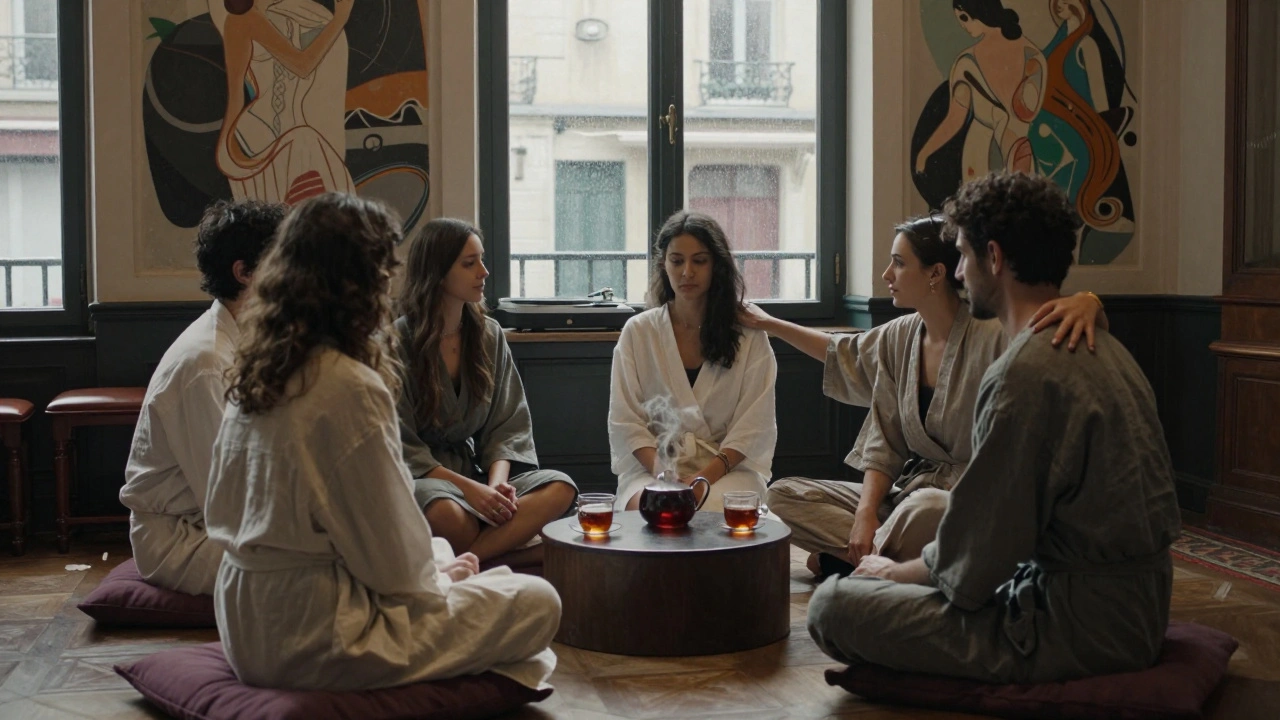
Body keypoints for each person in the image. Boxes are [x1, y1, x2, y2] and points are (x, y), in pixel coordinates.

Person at [806, 171, 1181, 684]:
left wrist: (890, 573)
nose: (960, 272)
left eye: (962, 254)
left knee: (833, 608)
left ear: (996, 258)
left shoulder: (1023, 372)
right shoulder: (1108, 349)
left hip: (1075, 627)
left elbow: (978, 564)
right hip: (1140, 610)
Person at [205, 194, 560, 691]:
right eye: (382, 270)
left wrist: (437, 564)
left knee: (438, 545)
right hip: (316, 634)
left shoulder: (257, 371)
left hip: (242, 619)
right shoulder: (348, 384)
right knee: (537, 602)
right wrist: (444, 581)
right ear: (359, 283)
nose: (389, 284)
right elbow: (390, 564)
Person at [752, 216, 1106, 577]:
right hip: (909, 497)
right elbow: (881, 435)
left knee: (922, 511)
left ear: (936, 273)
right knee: (782, 495)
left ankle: (877, 561)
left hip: (966, 505)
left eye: (899, 263)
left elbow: (1048, 332)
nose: (887, 274)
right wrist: (865, 515)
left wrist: (1089, 302)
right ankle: (907, 562)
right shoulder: (900, 337)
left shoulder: (994, 334)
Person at [120, 199, 285, 595]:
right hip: (182, 539)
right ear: (244, 273)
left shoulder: (249, 336)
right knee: (327, 565)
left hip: (219, 520)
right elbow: (227, 502)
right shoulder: (207, 363)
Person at [396, 218, 577, 565]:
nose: (484, 271)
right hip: (425, 478)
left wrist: (495, 487)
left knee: (561, 487)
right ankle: (510, 554)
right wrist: (470, 490)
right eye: (469, 263)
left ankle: (473, 561)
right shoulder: (396, 341)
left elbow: (507, 427)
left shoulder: (488, 335)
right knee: (448, 515)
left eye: (481, 259)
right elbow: (401, 444)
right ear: (437, 272)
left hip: (477, 474)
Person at [609, 210, 777, 513]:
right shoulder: (639, 332)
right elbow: (625, 421)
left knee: (710, 509)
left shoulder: (749, 336)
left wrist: (701, 478)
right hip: (654, 468)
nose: (687, 272)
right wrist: (666, 475)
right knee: (650, 507)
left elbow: (755, 425)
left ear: (716, 266)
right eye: (677, 261)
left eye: (699, 261)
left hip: (725, 471)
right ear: (664, 265)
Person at [210, 0, 357, 204]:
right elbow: (302, 65)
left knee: (318, 191)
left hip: (286, 130)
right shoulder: (246, 21)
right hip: (261, 134)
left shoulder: (283, 16)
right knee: (318, 171)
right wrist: (340, 19)